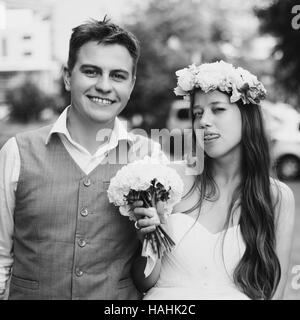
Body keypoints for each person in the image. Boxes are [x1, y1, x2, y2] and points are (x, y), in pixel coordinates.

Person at [0, 17, 166, 300]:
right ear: (67, 76)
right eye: (91, 71)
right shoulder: (16, 152)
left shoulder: (151, 158)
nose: (104, 86)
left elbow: (151, 281)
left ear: (132, 84)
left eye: (117, 75)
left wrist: (148, 241)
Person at [131, 61, 295, 300]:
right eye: (197, 113)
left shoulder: (277, 197)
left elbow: (275, 293)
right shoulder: (171, 181)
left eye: (217, 109)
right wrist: (150, 238)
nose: (203, 121)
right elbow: (144, 282)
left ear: (246, 116)